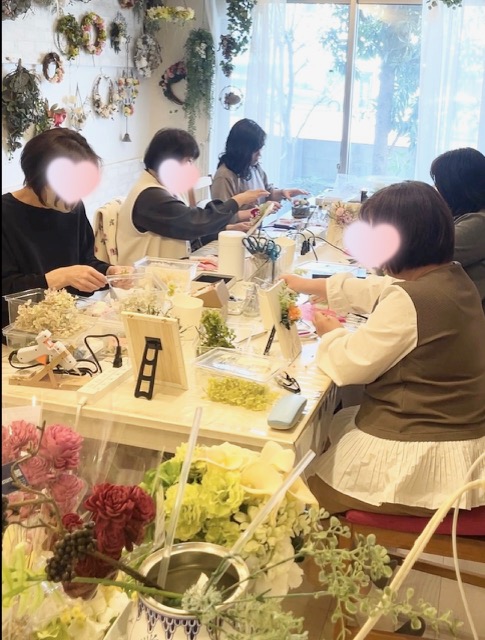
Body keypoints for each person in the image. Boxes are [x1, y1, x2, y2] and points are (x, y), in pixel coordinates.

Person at [282, 181, 485, 517]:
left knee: (301, 495)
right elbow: (382, 289)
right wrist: (311, 285)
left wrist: (331, 333)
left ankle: (339, 541)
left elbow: (349, 367)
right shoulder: (452, 277)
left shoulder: (412, 298)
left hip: (424, 450)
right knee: (333, 429)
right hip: (462, 438)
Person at [2, 128, 129, 330]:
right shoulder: (6, 215)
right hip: (17, 333)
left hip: (65, 326)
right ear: (39, 177)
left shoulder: (73, 209)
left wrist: (110, 273)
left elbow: (84, 261)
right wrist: (58, 278)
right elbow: (6, 289)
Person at [116, 128, 269, 264]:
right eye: (188, 161)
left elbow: (187, 229)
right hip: (145, 279)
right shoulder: (150, 195)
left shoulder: (165, 188)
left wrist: (227, 229)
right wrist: (238, 200)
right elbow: (193, 223)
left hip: (166, 272)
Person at [430, 147, 485, 311]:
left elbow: (421, 257)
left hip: (461, 316)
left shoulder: (479, 223)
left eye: (439, 183)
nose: (435, 189)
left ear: (454, 188)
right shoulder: (463, 215)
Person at [211, 118, 308, 209]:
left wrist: (283, 193)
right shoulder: (224, 176)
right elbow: (221, 215)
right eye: (255, 150)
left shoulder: (253, 167)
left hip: (256, 222)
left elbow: (267, 193)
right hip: (241, 223)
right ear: (242, 150)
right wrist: (261, 210)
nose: (259, 154)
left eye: (260, 149)